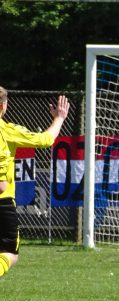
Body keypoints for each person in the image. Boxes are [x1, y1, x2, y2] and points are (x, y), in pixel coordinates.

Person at [0, 87, 69, 278]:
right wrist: (59, 118)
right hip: (2, 203)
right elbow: (45, 139)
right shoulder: (8, 131)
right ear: (3, 106)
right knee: (9, 253)